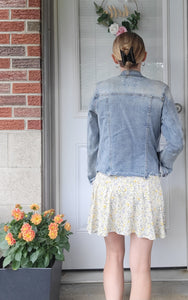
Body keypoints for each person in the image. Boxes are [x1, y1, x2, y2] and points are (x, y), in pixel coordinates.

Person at [86, 32, 184, 300]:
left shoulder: (101, 90)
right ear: (144, 57)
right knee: (141, 267)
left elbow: (92, 140)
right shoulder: (159, 90)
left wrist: (93, 175)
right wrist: (161, 165)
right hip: (143, 184)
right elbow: (176, 142)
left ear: (114, 58)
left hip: (109, 182)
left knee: (113, 257)